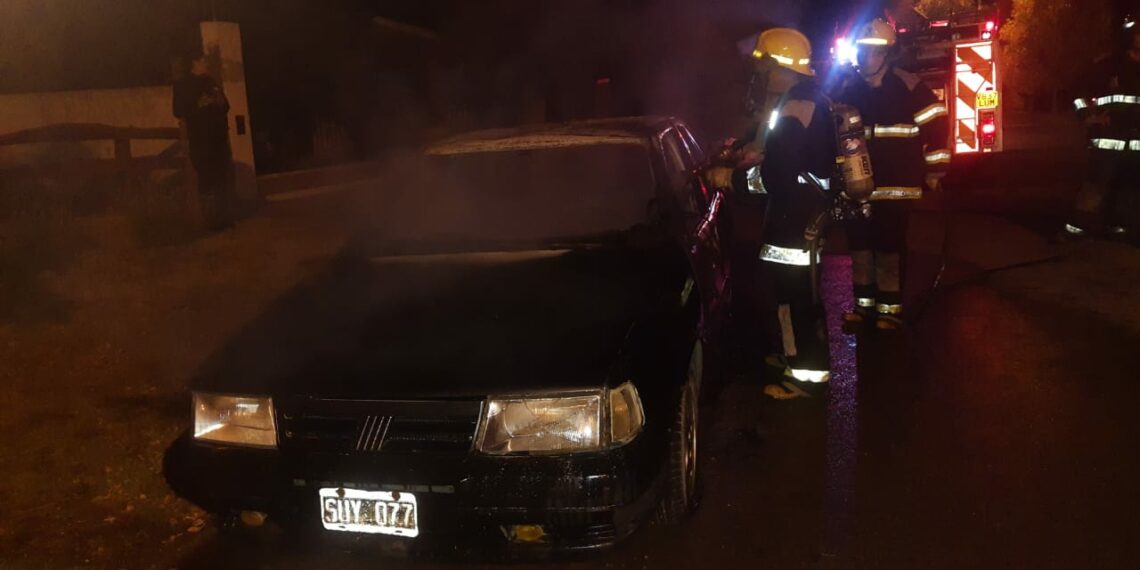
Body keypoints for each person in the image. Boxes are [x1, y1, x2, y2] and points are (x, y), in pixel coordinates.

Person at [835, 19, 950, 330]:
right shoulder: (847, 88)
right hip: (857, 185)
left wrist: (935, 168)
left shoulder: (908, 86)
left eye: (873, 52)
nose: (866, 57)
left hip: (896, 184)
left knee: (889, 247)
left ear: (887, 54)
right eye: (862, 51)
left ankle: (889, 310)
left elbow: (937, 123)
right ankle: (863, 308)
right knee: (859, 247)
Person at [751, 28, 837, 398]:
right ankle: (794, 356)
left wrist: (732, 179)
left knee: (794, 299)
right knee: (799, 296)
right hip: (805, 216)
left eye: (767, 66)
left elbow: (777, 174)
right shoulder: (806, 100)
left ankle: (805, 377)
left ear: (781, 67)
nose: (763, 74)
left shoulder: (795, 107)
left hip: (794, 220)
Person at [1065, 17, 1140, 242]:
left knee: (1127, 188)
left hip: (1135, 144)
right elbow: (1077, 91)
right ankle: (1075, 230)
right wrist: (1088, 116)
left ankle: (1118, 228)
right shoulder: (1108, 66)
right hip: (1108, 141)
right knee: (1096, 186)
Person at [174, 53, 234, 230]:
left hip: (218, 138)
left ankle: (222, 219)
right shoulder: (183, 84)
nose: (207, 64)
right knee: (206, 178)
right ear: (194, 62)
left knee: (221, 178)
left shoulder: (210, 81)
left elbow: (226, 105)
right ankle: (209, 221)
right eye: (203, 61)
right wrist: (199, 104)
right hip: (200, 138)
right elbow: (178, 110)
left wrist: (217, 101)